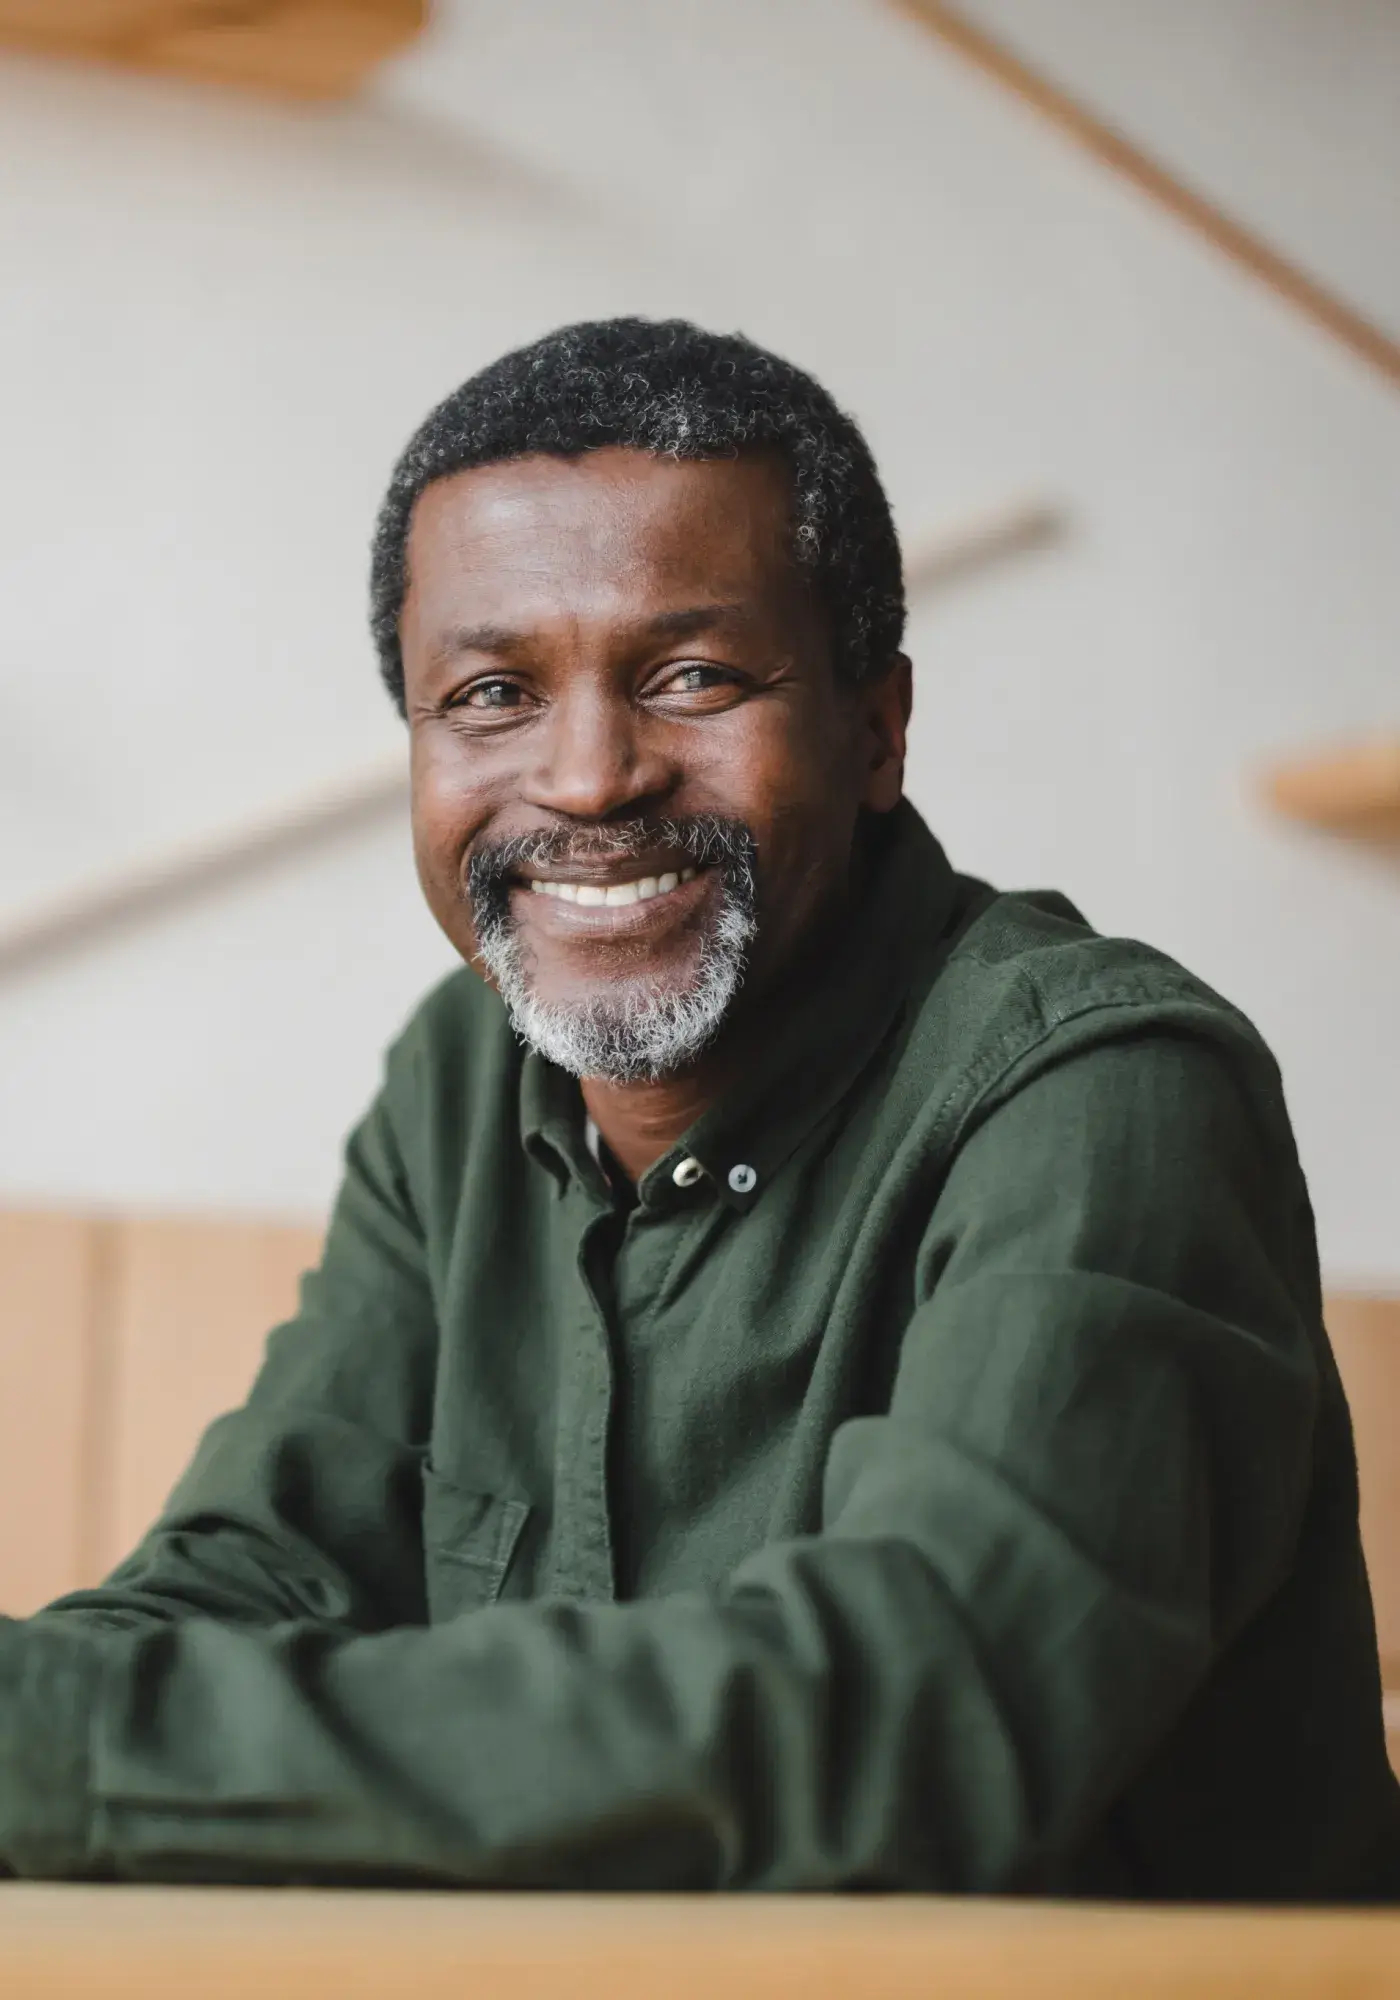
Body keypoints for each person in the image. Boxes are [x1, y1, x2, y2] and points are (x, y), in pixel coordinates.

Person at [2, 318, 1396, 1899]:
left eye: (692, 677)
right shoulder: (463, 1082)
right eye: (491, 694)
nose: (590, 777)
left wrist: (64, 1750)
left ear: (877, 730)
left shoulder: (1104, 1090)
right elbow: (253, 1570)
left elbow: (915, 1716)